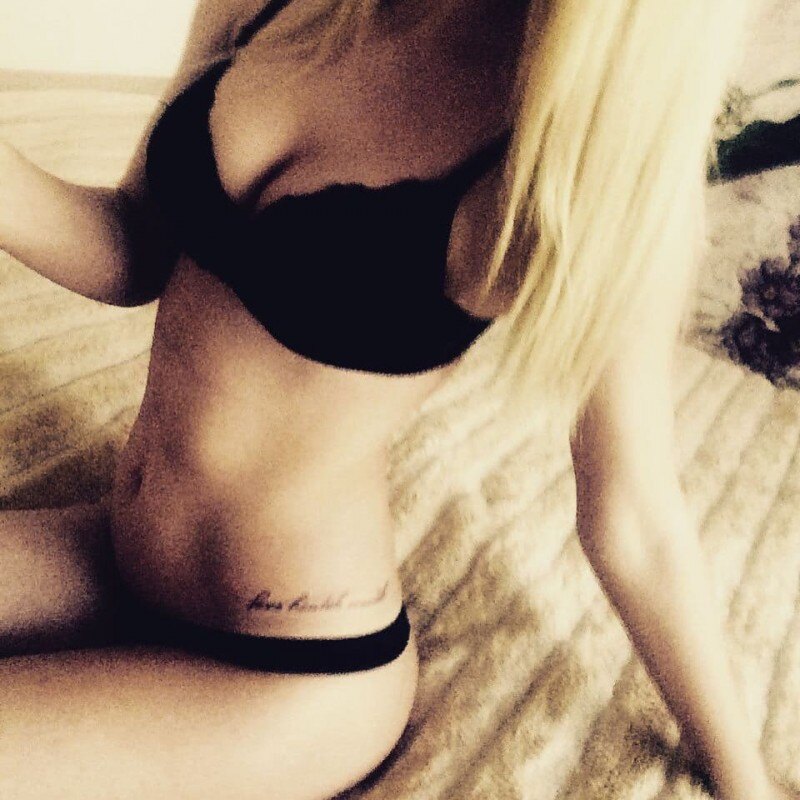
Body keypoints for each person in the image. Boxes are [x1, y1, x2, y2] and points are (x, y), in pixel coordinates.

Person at [0, 0, 795, 797]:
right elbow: (133, 248)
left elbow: (636, 524)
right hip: (120, 550)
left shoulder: (590, 165)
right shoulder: (271, 7)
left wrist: (745, 782)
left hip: (289, 670)